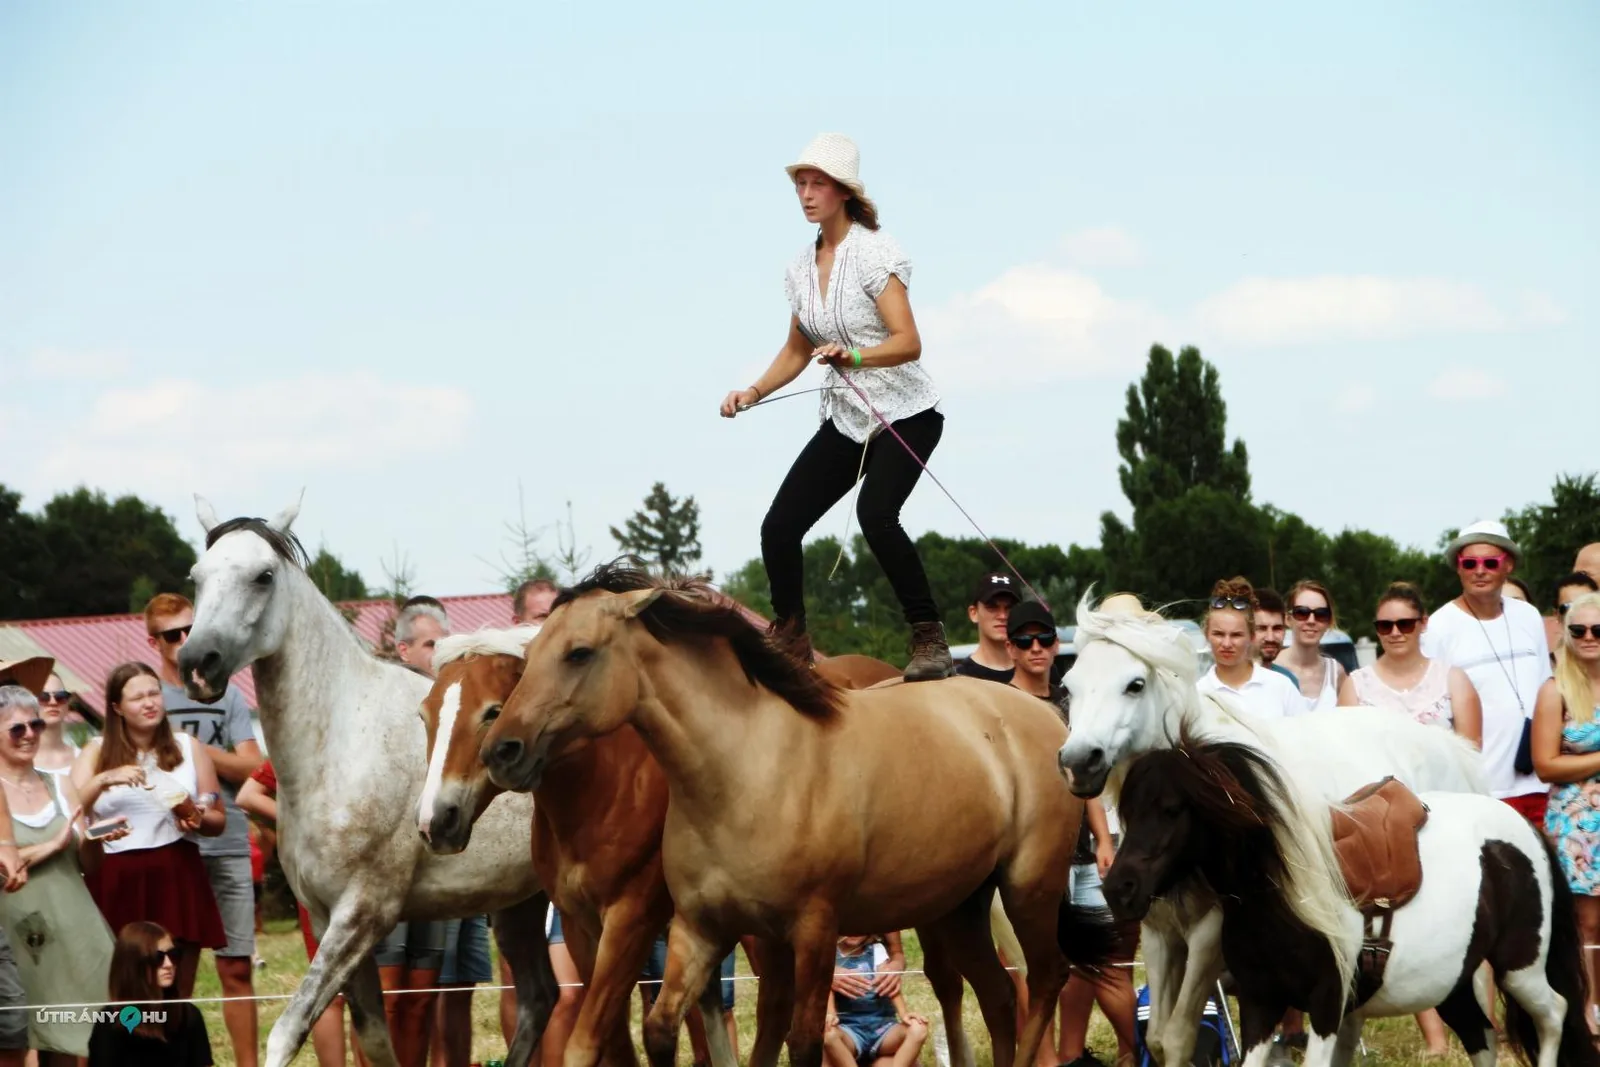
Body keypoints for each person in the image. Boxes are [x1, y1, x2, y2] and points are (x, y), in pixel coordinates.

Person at [721, 131, 952, 682]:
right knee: (778, 527)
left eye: (816, 183)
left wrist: (853, 355)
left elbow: (908, 341)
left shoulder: (876, 253)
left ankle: (929, 637)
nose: (805, 193)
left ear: (843, 190)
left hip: (907, 415)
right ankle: (792, 640)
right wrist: (752, 392)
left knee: (877, 515)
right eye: (800, 183)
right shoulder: (799, 269)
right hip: (847, 422)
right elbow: (798, 347)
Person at [1335, 583, 1481, 1054]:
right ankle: (1434, 1038)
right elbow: (1346, 758)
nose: (1394, 632)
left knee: (1471, 919)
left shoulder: (1452, 679)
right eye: (1384, 625)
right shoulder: (1356, 685)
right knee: (1403, 922)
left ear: (1423, 625)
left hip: (1448, 817)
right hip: (1381, 825)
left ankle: (1481, 1026)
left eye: (1404, 623)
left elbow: (1470, 753)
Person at [1005, 602, 1136, 1067]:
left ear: (1056, 644)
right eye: (1025, 640)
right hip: (1029, 859)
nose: (1036, 648)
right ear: (1011, 648)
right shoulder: (1002, 705)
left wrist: (1104, 840)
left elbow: (1088, 786)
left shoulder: (1071, 699)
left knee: (1102, 964)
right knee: (1032, 969)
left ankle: (1125, 1053)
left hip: (1081, 852)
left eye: (1044, 639)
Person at [144, 592, 265, 1067]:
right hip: (172, 847)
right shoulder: (147, 695)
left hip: (230, 841)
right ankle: (170, 1058)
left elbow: (253, 766)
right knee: (172, 970)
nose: (183, 641)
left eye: (190, 630)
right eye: (172, 634)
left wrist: (191, 747)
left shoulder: (226, 692)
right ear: (152, 639)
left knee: (237, 968)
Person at [71, 662, 226, 999]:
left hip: (176, 870)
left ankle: (173, 1044)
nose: (149, 702)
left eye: (154, 693)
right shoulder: (96, 750)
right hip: (115, 873)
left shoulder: (188, 746)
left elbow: (217, 820)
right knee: (121, 989)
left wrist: (199, 816)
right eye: (137, 697)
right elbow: (70, 811)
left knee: (175, 990)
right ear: (116, 707)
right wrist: (103, 779)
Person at [0, 685, 120, 1063]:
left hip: (77, 925)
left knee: (94, 1036)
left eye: (35, 724)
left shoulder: (59, 782)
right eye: (17, 729)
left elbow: (89, 865)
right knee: (32, 1037)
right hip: (21, 934)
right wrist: (50, 847)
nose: (30, 735)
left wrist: (98, 839)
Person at [1420, 520, 1552, 826]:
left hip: (1542, 782)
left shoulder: (1529, 616)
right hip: (1484, 788)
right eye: (1470, 563)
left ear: (1508, 566)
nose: (1480, 570)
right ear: (1459, 568)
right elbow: (1434, 709)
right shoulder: (1441, 625)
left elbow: (1547, 686)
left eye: (1490, 562)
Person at [234, 762, 347, 1067]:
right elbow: (248, 795)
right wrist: (308, 821)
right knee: (329, 992)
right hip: (322, 875)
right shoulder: (305, 740)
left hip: (355, 874)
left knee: (353, 990)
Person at [380, 599, 450, 1067]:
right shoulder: (380, 706)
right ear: (403, 650)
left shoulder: (452, 706)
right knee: (387, 997)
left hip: (439, 868)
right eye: (430, 644)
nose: (439, 652)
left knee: (424, 996)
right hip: (387, 869)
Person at [1531, 590, 1600, 1035]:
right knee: (1586, 920)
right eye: (1579, 630)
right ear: (1566, 635)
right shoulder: (1555, 690)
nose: (1589, 636)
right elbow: (1545, 765)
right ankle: (1589, 1008)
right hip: (1576, 820)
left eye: (1598, 629)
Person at [87, 920, 214, 1066]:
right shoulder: (110, 1022)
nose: (168, 964)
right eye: (158, 957)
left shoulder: (189, 1015)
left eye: (173, 954)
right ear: (134, 965)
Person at [1195, 579, 1304, 720]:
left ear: (1252, 636)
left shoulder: (1282, 686)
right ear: (1207, 635)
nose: (1227, 643)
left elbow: (1306, 737)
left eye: (1236, 635)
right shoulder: (1198, 694)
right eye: (1219, 634)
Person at [823, 934, 928, 1067]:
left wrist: (904, 1014)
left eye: (860, 928)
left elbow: (888, 981)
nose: (854, 932)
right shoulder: (829, 954)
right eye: (850, 927)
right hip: (850, 1031)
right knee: (828, 1034)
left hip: (883, 1029)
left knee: (918, 1029)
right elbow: (826, 988)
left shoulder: (876, 950)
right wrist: (830, 1014)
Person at [1275, 581, 1347, 712]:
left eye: (1321, 614)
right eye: (1302, 613)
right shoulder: (1271, 669)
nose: (1311, 620)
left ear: (1329, 621)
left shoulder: (1336, 672)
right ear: (1288, 619)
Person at [955, 573, 1021, 683]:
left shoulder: (1036, 674)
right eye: (992, 607)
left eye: (1010, 608)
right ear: (974, 613)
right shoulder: (960, 679)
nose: (1003, 616)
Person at [32, 669, 80, 792]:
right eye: (43, 697)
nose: (53, 702)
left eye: (60, 697)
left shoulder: (83, 757)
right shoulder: (16, 759)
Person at [1252, 588, 1298, 683]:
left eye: (1277, 628)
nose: (1270, 638)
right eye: (1262, 628)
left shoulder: (1288, 681)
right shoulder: (1228, 680)